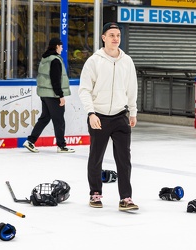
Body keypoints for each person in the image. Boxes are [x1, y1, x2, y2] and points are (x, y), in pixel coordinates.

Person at [78, 22, 139, 211]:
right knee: (96, 157)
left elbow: (132, 87)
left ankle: (126, 198)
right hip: (99, 117)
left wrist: (133, 111)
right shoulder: (94, 61)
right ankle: (95, 193)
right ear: (103, 37)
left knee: (124, 159)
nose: (115, 39)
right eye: (111, 35)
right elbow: (84, 90)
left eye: (118, 35)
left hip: (120, 115)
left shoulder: (127, 61)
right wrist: (91, 113)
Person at [23, 38, 75, 154]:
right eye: (61, 46)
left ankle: (30, 141)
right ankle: (61, 146)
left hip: (45, 94)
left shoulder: (45, 58)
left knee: (45, 118)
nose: (62, 48)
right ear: (56, 46)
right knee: (59, 120)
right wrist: (60, 95)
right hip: (53, 95)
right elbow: (55, 80)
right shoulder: (55, 60)